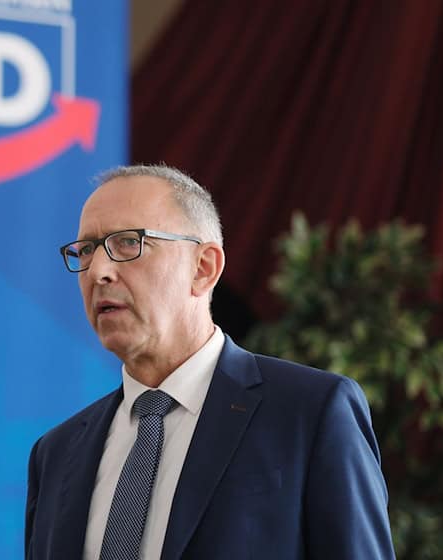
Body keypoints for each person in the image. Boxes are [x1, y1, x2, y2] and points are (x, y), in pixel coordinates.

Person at [24, 164, 394, 559]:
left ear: (204, 268)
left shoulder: (311, 413)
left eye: (128, 243)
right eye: (85, 251)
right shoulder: (56, 454)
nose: (98, 272)